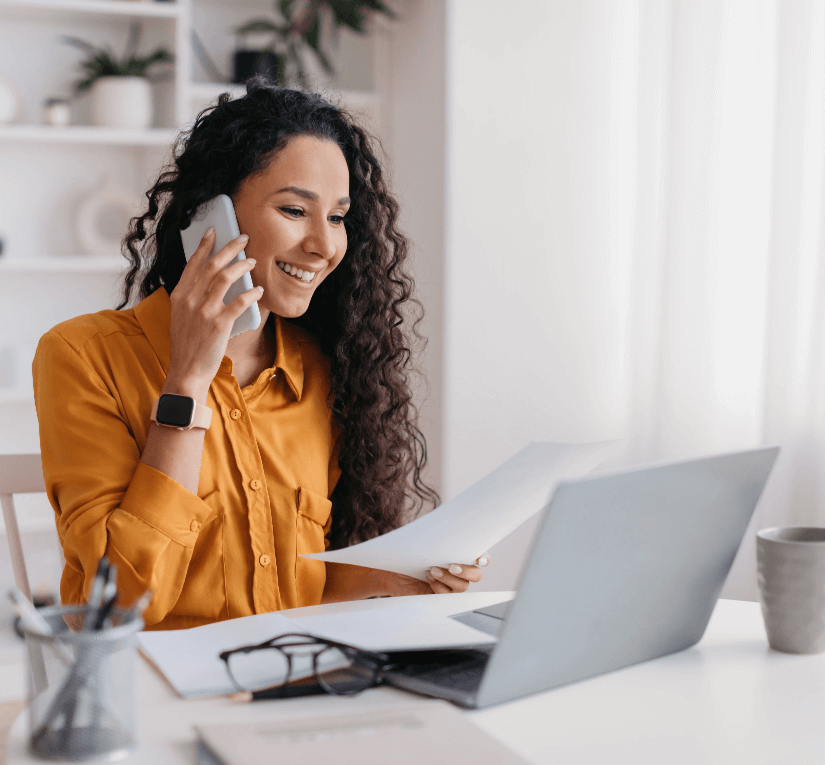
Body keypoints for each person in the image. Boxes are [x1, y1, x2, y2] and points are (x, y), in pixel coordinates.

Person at [32, 79, 488, 630]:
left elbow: (289, 591)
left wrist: (401, 576)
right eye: (295, 210)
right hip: (156, 677)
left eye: (337, 217)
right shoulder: (82, 356)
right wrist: (188, 381)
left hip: (285, 666)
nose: (325, 246)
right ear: (210, 217)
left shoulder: (321, 371)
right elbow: (114, 609)